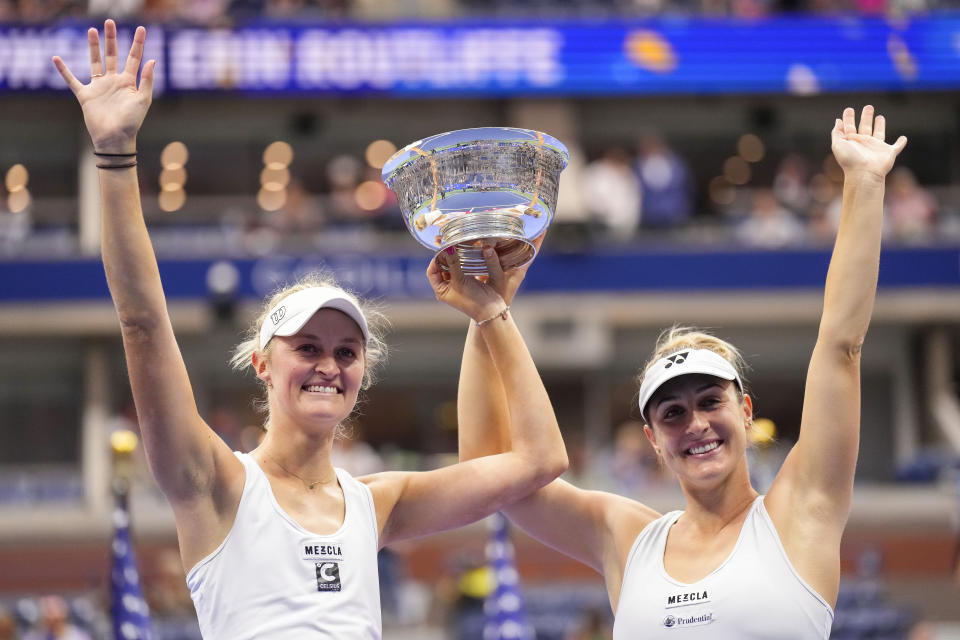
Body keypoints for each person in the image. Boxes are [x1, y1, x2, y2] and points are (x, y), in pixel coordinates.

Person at [52, 21, 567, 639]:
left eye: (346, 351)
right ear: (262, 365)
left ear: (361, 376)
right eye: (307, 347)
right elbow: (141, 321)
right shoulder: (215, 484)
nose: (329, 364)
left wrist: (491, 313)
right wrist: (114, 157)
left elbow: (541, 459)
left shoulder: (377, 503)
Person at [458, 106, 906, 637]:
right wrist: (487, 312)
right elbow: (489, 473)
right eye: (673, 412)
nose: (694, 423)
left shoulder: (799, 511)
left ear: (745, 411)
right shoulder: (627, 539)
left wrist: (862, 181)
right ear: (653, 439)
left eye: (710, 401)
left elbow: (840, 346)